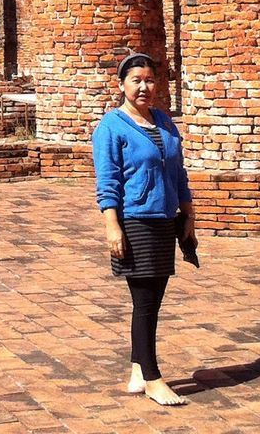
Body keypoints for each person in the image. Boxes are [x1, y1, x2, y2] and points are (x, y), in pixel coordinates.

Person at [91, 52, 195, 407]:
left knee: (150, 302)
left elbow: (179, 173)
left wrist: (188, 217)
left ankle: (138, 368)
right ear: (121, 85)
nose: (144, 87)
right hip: (136, 221)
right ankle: (153, 378)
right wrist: (112, 227)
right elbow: (108, 182)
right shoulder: (112, 127)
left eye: (150, 80)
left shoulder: (164, 122)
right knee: (146, 303)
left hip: (165, 220)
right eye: (136, 80)